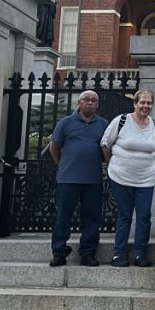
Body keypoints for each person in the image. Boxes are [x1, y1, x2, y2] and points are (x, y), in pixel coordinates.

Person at [48, 90, 108, 267]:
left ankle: (88, 253)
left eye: (94, 100)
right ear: (79, 103)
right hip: (68, 179)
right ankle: (59, 252)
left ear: (97, 104)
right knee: (63, 217)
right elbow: (54, 147)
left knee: (92, 218)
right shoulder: (65, 123)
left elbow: (106, 147)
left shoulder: (103, 124)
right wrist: (62, 164)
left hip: (93, 180)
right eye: (86, 99)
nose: (90, 103)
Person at [101, 88, 155, 268]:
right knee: (124, 216)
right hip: (121, 176)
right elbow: (105, 143)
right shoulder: (122, 120)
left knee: (144, 216)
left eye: (149, 103)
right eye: (142, 102)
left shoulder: (154, 125)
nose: (145, 106)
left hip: (146, 178)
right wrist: (111, 162)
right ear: (135, 103)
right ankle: (119, 254)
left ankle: (140, 254)